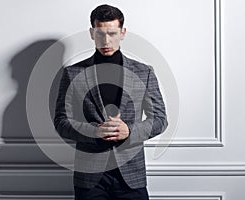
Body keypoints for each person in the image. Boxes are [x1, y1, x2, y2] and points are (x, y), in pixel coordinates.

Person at [54, 4, 168, 200]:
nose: (106, 40)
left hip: (131, 176)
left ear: (122, 33)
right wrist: (94, 132)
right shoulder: (72, 73)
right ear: (91, 33)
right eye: (100, 34)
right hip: (90, 177)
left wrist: (130, 131)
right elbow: (61, 121)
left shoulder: (144, 72)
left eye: (112, 33)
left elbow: (159, 119)